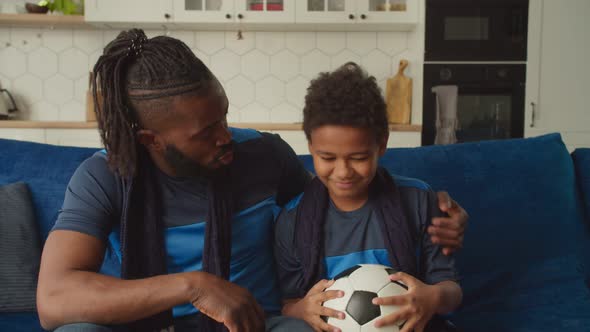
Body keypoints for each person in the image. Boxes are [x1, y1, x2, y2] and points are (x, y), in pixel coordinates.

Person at [36, 29, 467, 332]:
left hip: (255, 323)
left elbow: (334, 207)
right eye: (205, 133)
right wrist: (193, 287)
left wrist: (440, 218)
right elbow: (54, 300)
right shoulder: (105, 176)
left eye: (223, 116)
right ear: (151, 139)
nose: (226, 137)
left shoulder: (262, 155)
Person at [274, 63, 463, 332]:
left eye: (359, 158)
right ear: (311, 148)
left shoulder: (419, 201)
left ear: (382, 144)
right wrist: (300, 309)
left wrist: (433, 297)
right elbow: (285, 303)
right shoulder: (292, 221)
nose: (343, 172)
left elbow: (451, 290)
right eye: (327, 157)